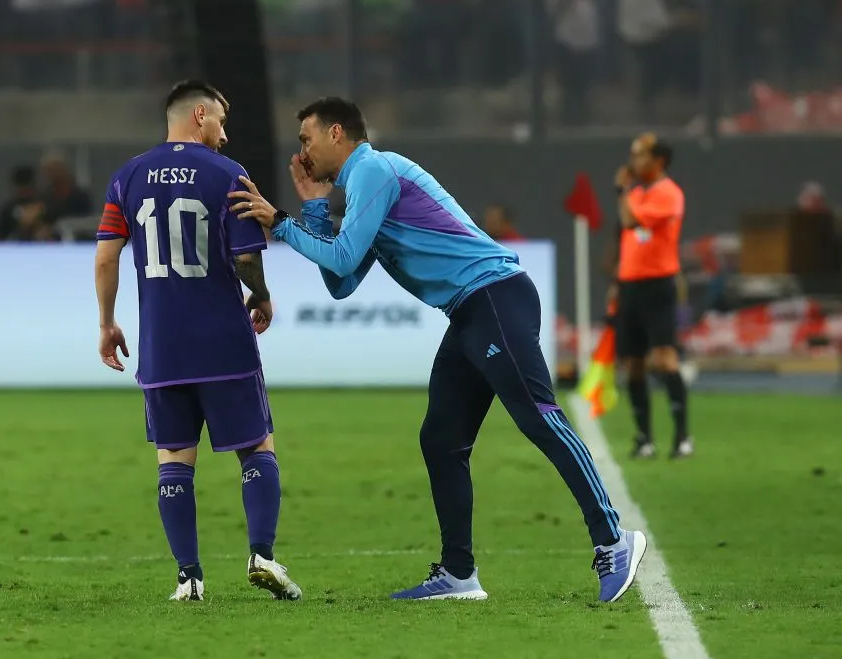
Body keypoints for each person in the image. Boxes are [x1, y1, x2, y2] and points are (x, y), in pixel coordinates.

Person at [230, 97, 646, 602]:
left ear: (336, 133)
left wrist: (280, 221)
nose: (301, 151)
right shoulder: (363, 188)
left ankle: (613, 541)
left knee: (539, 418)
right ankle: (458, 574)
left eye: (306, 139)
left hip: (494, 296)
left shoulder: (373, 170)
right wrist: (314, 208)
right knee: (441, 439)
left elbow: (339, 257)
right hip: (469, 312)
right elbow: (342, 281)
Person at [93, 80, 302, 603]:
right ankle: (262, 556)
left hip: (163, 348)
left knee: (173, 459)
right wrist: (262, 295)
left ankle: (189, 577)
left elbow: (105, 256)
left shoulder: (127, 177)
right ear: (200, 115)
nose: (226, 136)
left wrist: (107, 322)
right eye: (222, 122)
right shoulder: (228, 175)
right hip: (222, 341)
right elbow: (247, 257)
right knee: (257, 447)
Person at [614, 133, 692, 459]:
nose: (634, 161)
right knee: (632, 364)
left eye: (641, 155)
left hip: (657, 284)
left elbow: (631, 222)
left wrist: (621, 190)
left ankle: (683, 438)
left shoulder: (668, 194)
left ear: (659, 161)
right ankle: (644, 438)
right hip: (630, 284)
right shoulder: (640, 194)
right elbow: (632, 239)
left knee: (663, 359)